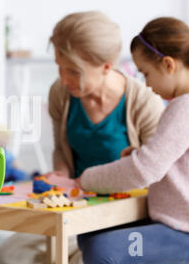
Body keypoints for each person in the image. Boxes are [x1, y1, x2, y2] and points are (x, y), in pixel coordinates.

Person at [76, 17, 189, 264]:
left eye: (146, 73)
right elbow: (186, 160)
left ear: (169, 65)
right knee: (89, 232)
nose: (146, 84)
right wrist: (143, 153)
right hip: (181, 225)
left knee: (102, 250)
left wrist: (84, 179)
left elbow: (143, 171)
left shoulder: (188, 106)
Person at [48, 11, 166, 179]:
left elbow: (155, 171)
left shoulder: (145, 103)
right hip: (79, 197)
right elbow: (61, 149)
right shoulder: (60, 93)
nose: (64, 80)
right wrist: (61, 175)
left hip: (129, 199)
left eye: (74, 72)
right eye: (60, 67)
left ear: (106, 67)